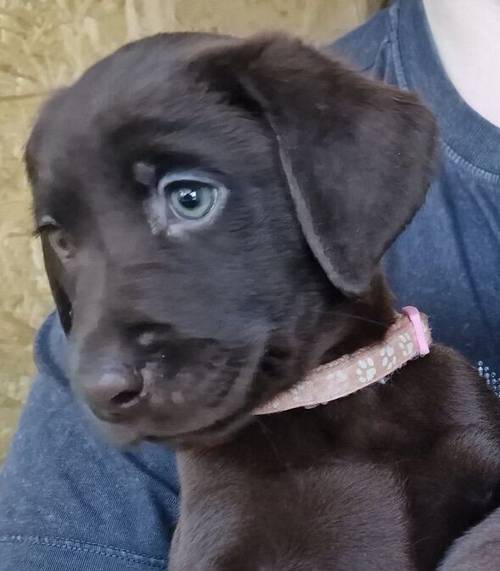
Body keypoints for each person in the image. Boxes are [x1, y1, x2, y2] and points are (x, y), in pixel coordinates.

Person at [1, 0, 499, 568]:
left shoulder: (305, 113)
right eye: (65, 241)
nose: (96, 371)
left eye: (189, 198)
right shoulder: (216, 480)